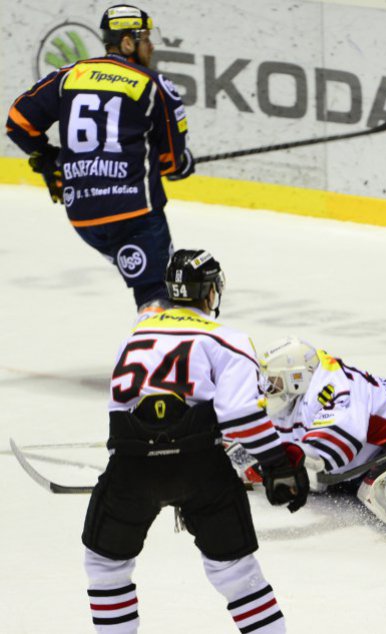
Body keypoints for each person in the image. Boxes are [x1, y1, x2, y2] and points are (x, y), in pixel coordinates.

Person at [81, 249, 309, 633]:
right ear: (210, 292)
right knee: (237, 574)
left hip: (132, 468)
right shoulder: (229, 341)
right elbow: (241, 417)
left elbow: (119, 411)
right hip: (201, 468)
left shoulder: (134, 337)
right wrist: (277, 465)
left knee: (106, 567)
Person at [5, 4, 194, 314]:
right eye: (145, 37)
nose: (151, 44)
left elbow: (18, 122)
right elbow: (171, 163)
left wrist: (48, 159)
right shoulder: (154, 85)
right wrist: (184, 163)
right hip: (133, 212)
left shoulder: (69, 75)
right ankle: (153, 356)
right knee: (160, 291)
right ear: (128, 42)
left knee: (151, 284)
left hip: (83, 214)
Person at [227, 336, 386, 541]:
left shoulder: (337, 386)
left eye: (274, 382)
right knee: (303, 476)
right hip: (360, 461)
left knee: (384, 489)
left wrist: (284, 459)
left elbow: (341, 441)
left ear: (295, 377)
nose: (267, 389)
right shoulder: (299, 391)